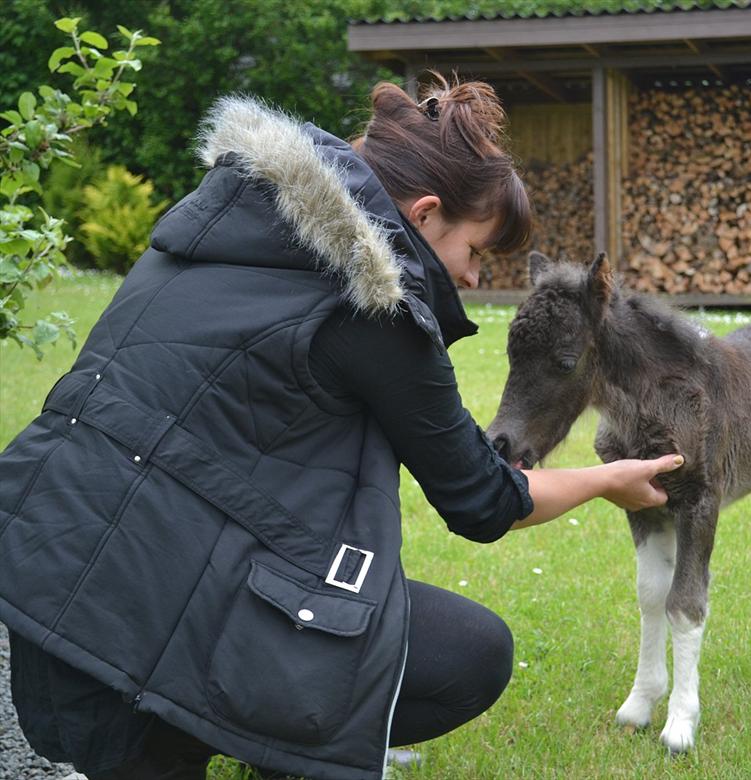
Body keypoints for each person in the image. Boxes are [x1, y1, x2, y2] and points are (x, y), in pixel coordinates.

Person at [0, 77, 682, 780]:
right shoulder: (374, 305)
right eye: (477, 252)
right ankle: (213, 730)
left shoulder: (207, 230)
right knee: (472, 654)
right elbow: (483, 500)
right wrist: (608, 480)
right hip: (123, 671)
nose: (476, 279)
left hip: (45, 589)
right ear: (423, 214)